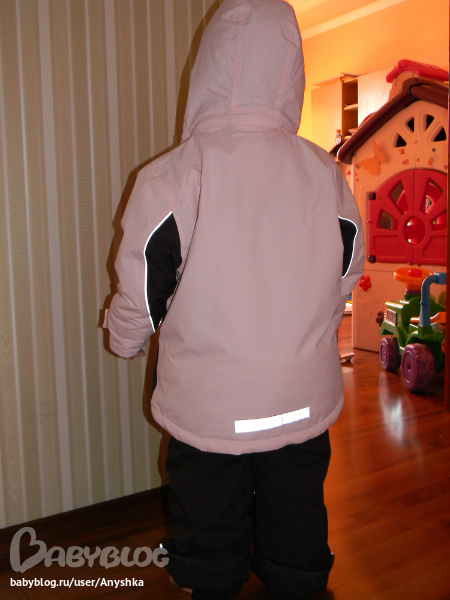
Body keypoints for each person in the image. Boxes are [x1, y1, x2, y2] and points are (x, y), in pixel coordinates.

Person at [105, 0, 364, 598]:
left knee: (208, 510)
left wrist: (125, 339)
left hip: (209, 403)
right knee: (296, 505)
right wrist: (317, 321)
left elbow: (143, 280)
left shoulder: (173, 175)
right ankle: (297, 578)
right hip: (300, 396)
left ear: (208, 70)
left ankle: (212, 580)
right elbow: (346, 269)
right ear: (290, 73)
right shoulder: (325, 173)